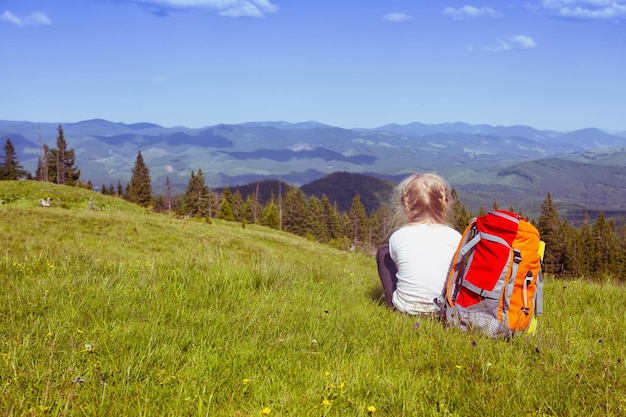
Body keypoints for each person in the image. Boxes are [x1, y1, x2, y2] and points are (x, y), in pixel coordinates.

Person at [376, 173, 461, 315]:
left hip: (404, 309)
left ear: (406, 206)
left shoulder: (398, 237)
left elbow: (400, 270)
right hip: (445, 311)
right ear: (444, 205)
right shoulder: (455, 237)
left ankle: (393, 304)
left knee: (383, 252)